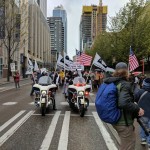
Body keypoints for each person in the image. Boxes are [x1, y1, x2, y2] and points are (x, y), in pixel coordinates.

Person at [103, 62, 144, 150]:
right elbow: (123, 103)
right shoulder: (124, 84)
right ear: (126, 71)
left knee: (125, 144)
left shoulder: (112, 82)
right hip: (123, 121)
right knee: (129, 145)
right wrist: (137, 108)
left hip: (115, 117)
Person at [134, 78, 150, 148]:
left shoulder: (140, 91)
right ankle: (149, 143)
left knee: (143, 126)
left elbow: (135, 99)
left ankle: (143, 139)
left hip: (142, 113)